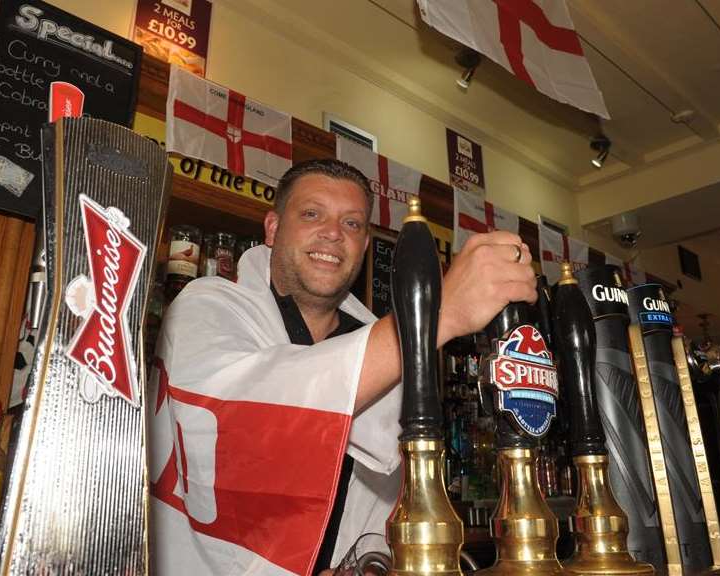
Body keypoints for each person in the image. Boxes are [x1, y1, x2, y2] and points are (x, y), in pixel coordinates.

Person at [148, 158, 536, 575]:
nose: (333, 233)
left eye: (351, 224)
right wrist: (435, 314)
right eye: (312, 214)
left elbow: (387, 498)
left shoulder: (380, 347)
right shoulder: (206, 305)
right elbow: (246, 420)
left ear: (365, 245)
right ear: (273, 228)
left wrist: (370, 566)